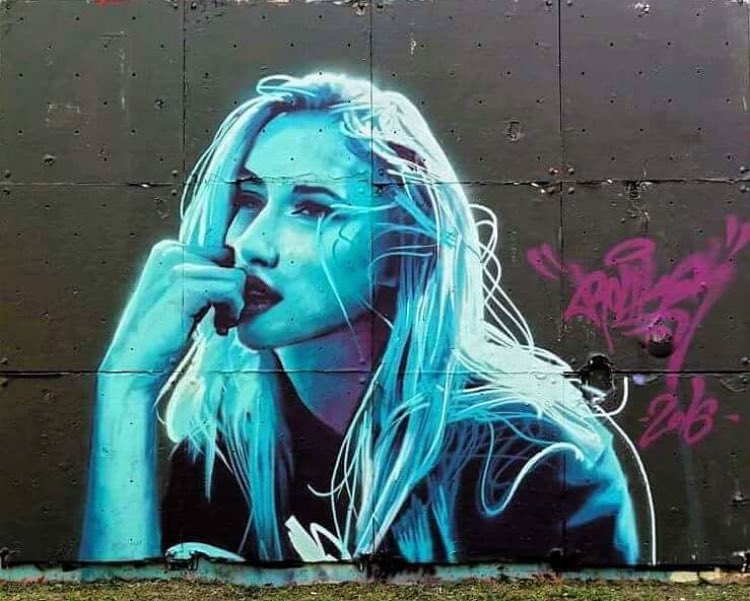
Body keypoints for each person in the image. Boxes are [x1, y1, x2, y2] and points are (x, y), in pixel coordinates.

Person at [79, 72, 641, 565]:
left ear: (404, 249)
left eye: (313, 209)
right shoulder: (231, 452)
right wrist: (125, 390)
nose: (252, 243)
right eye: (248, 200)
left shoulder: (530, 458)